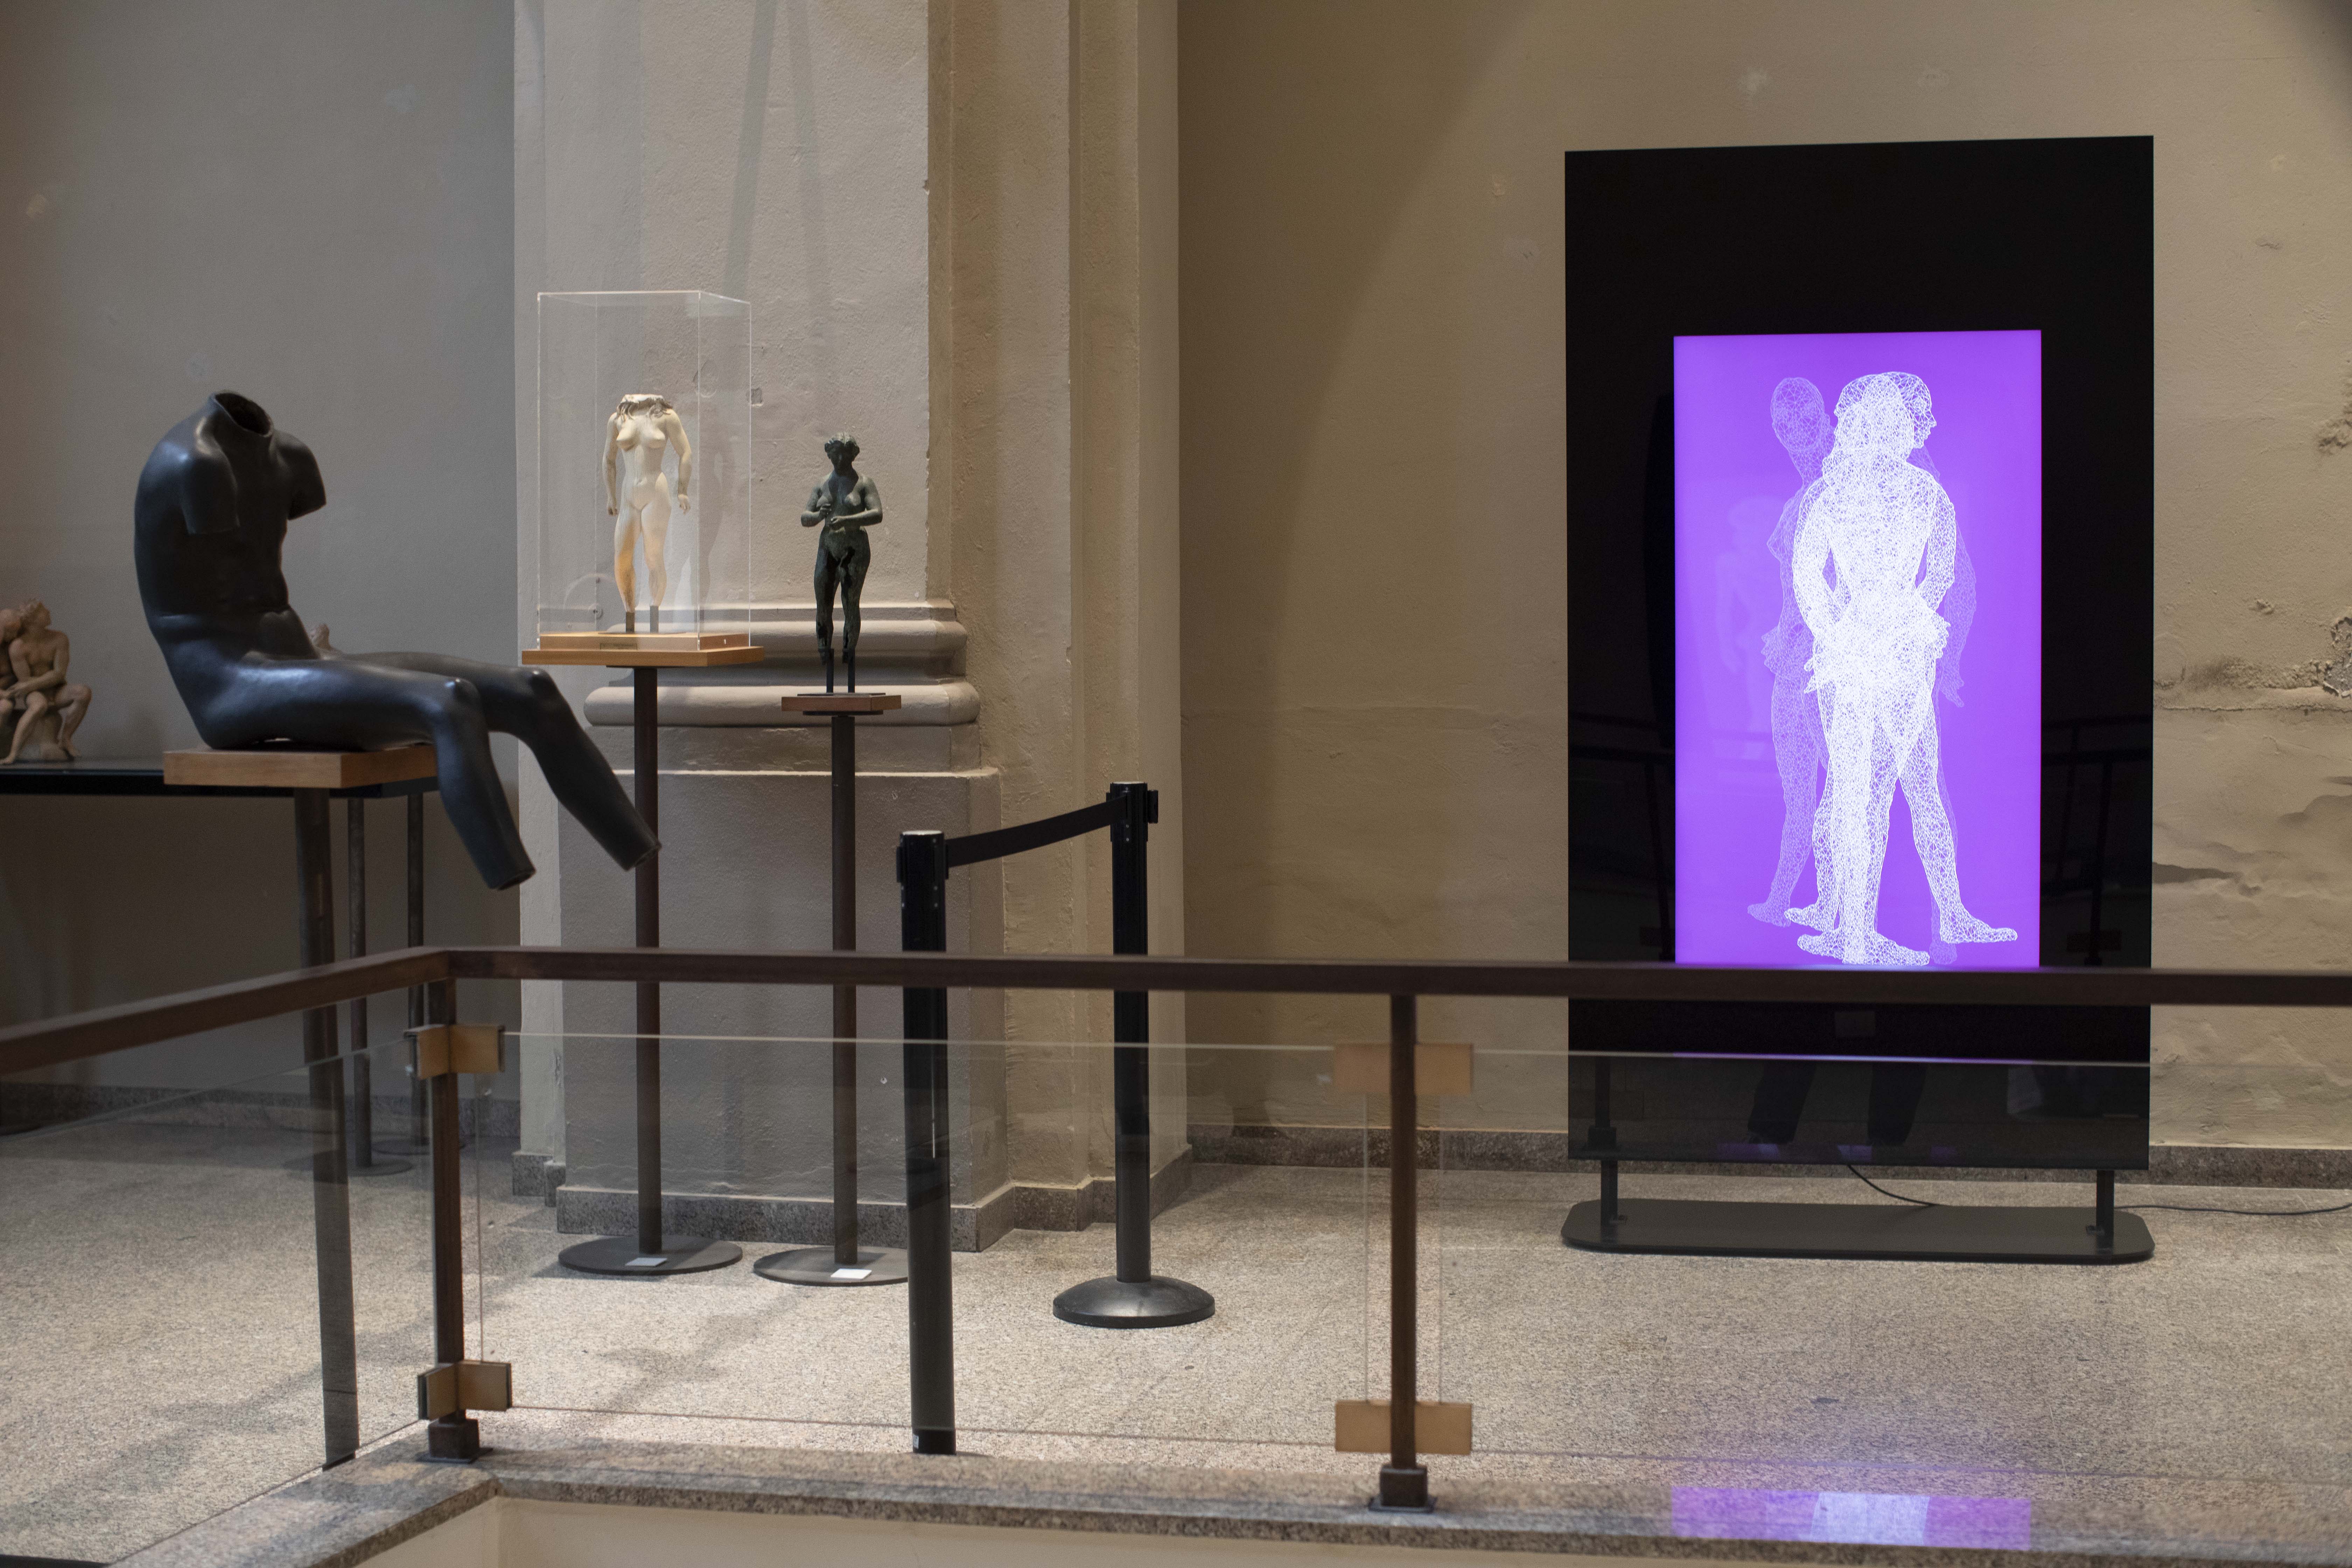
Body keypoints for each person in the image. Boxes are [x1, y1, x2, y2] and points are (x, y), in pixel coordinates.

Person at [135, 392, 656, 890]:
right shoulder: (196, 463)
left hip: (294, 657)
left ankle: (641, 853)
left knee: (533, 692)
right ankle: (507, 876)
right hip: (228, 681)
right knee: (448, 703)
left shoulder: (287, 456)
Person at [1787, 373, 2013, 965]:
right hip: (1883, 649)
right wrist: (1885, 622)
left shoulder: (1863, 494)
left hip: (1875, 650)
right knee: (1878, 790)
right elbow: (1937, 573)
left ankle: (1920, 922)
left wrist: (1854, 628)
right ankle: (1860, 937)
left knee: (1888, 788)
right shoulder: (1902, 492)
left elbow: (1813, 574)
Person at [800, 433, 883, 691]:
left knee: (850, 603)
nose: (839, 460)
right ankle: (825, 654)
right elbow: (805, 517)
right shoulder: (823, 483)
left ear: (853, 456)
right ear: (829, 455)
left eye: (844, 455)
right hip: (828, 547)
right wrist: (818, 516)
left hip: (854, 550)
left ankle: (848, 656)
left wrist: (848, 520)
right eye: (835, 455)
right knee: (823, 604)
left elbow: (877, 513)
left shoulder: (863, 483)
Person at [3, 600, 92, 763]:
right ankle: (13, 754)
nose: (48, 612)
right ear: (32, 620)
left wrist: (31, 684)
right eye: (43, 611)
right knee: (39, 706)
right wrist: (32, 685)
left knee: (83, 693)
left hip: (56, 690)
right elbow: (24, 680)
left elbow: (59, 674)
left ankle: (65, 738)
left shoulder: (59, 638)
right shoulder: (18, 646)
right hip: (34, 693)